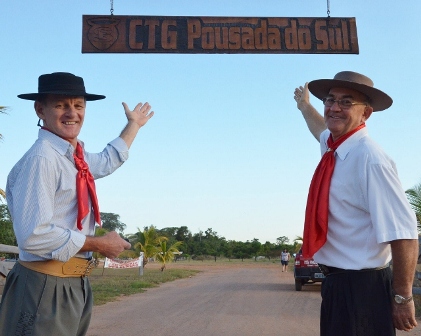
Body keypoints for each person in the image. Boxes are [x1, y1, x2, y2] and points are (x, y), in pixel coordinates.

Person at [0, 72, 154, 336]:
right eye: (61, 105)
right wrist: (99, 244)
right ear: (40, 109)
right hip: (44, 284)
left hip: (71, 283)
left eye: (78, 105)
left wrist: (134, 126)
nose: (72, 113)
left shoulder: (73, 157)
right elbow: (34, 236)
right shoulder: (43, 159)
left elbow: (107, 161)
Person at [293, 71, 418, 335]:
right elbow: (320, 130)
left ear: (366, 114)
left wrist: (403, 297)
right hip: (338, 285)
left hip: (364, 290)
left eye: (347, 102)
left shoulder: (370, 159)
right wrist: (305, 107)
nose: (334, 108)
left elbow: (405, 234)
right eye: (330, 100)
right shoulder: (335, 147)